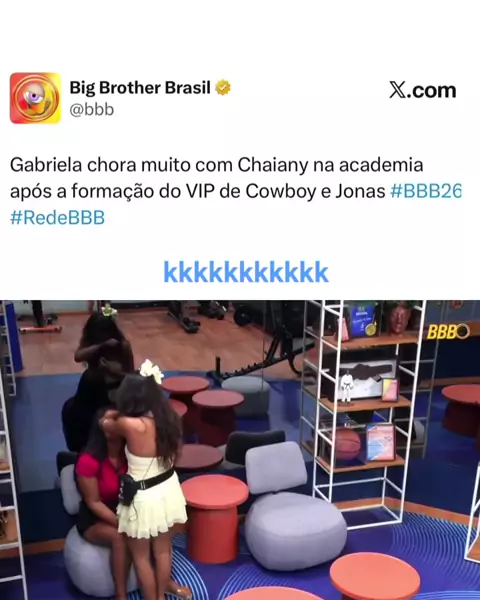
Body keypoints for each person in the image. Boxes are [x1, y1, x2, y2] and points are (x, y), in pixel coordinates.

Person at [101, 362, 191, 600]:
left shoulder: (129, 424)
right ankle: (161, 596)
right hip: (168, 489)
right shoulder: (170, 418)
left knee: (140, 557)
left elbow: (105, 423)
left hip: (143, 496)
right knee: (163, 551)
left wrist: (117, 412)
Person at [75, 408, 130, 600]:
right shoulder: (88, 460)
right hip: (95, 517)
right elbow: (93, 502)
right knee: (119, 537)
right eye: (111, 419)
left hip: (122, 508)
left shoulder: (129, 453)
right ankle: (121, 595)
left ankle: (164, 581)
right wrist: (122, 523)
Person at [61, 310, 135, 453]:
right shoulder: (92, 346)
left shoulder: (122, 346)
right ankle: (81, 448)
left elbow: (131, 376)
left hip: (112, 392)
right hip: (90, 389)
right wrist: (101, 346)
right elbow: (78, 356)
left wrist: (113, 371)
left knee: (98, 417)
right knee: (71, 411)